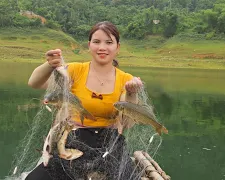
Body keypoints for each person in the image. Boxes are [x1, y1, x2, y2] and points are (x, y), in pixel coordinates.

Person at [26, 21, 143, 180]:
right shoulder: (75, 70)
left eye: (109, 42)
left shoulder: (126, 79)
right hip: (75, 138)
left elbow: (127, 123)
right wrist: (49, 65)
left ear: (117, 47)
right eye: (96, 42)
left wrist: (132, 93)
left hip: (110, 143)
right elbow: (35, 83)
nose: (102, 47)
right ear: (89, 45)